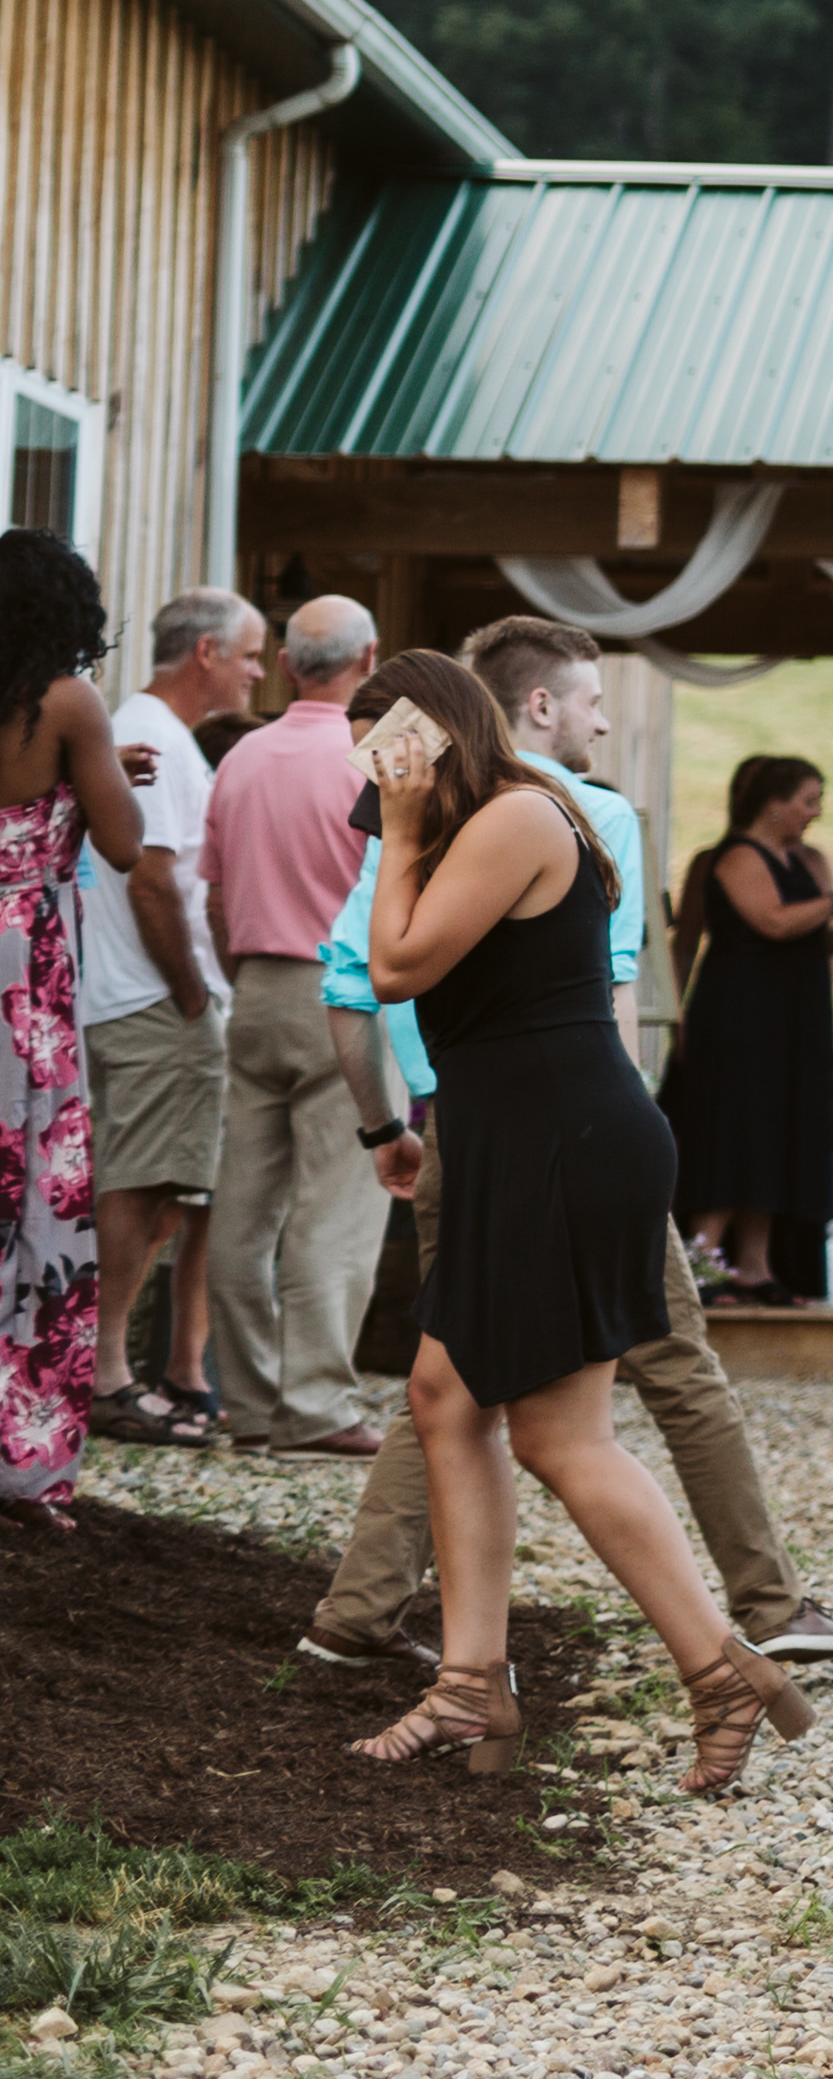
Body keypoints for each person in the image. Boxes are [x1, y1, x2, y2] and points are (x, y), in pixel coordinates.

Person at [331, 643, 815, 1789]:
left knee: (559, 1433)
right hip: (519, 1136)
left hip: (566, 1143)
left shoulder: (517, 817)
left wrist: (400, 831)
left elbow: (393, 964)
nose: (375, 773)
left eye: (389, 751)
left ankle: (721, 1670)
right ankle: (469, 1689)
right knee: (446, 1396)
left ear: (438, 736)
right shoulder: (469, 825)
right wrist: (399, 828)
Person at [203, 595, 400, 1461]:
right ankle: (316, 1406)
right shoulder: (373, 755)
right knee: (336, 1207)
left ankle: (247, 1405)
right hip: (343, 994)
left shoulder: (241, 755)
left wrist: (240, 968)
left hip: (252, 989)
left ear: (287, 666)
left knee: (243, 1208)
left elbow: (211, 893)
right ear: (372, 660)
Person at [1, 529, 163, 1527]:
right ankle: (22, 1461)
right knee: (33, 1200)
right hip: (22, 975)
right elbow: (123, 843)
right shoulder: (69, 700)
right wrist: (99, 773)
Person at [74, 586, 247, 1446]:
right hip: (151, 1000)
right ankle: (104, 1375)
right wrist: (189, 992)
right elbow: (152, 875)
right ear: (208, 653)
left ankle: (114, 1370)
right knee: (138, 1189)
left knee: (148, 1187)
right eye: (250, 653)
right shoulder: (163, 739)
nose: (257, 670)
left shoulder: (142, 726)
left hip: (123, 993)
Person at [657, 756, 833, 1303]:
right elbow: (773, 921)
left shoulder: (803, 860)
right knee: (735, 1133)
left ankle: (755, 1267)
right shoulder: (736, 857)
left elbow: (807, 939)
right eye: (808, 800)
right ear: (773, 805)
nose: (816, 812)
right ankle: (701, 1264)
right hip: (740, 1018)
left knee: (774, 1138)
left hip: (790, 1020)